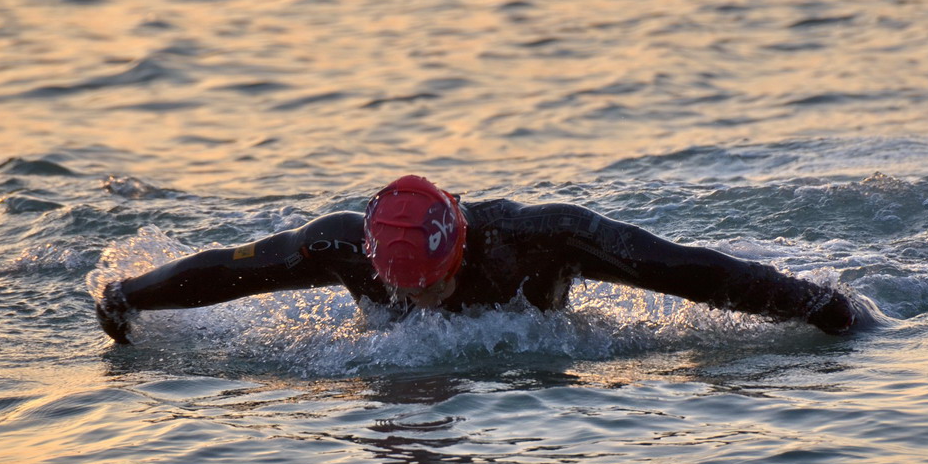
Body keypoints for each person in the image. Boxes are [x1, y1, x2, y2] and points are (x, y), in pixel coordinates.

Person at [95, 175, 864, 344]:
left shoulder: (544, 239)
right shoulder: (343, 245)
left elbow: (681, 269)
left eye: (431, 285)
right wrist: (128, 295)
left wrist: (816, 304)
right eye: (403, 288)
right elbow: (229, 270)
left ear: (459, 249)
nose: (419, 305)